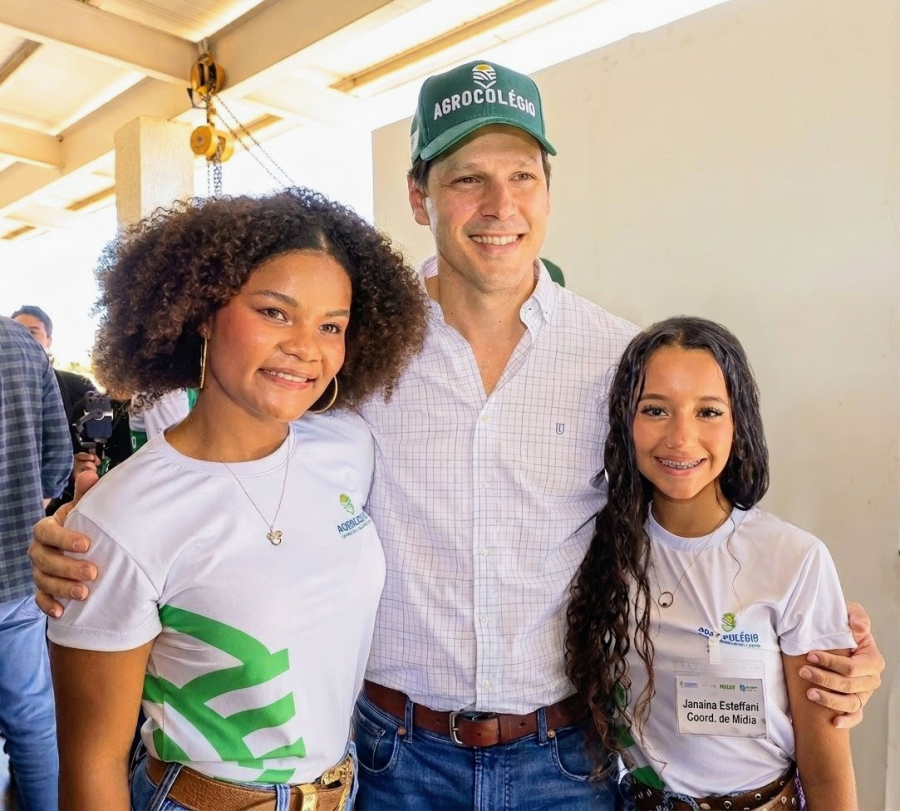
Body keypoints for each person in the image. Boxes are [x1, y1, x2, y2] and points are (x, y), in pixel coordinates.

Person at [29, 61, 885, 811]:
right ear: (420, 195)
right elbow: (226, 444)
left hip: (566, 762)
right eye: (468, 179)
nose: (500, 206)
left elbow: (685, 519)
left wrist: (815, 649)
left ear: (549, 188)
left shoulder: (616, 356)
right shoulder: (357, 348)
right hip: (388, 758)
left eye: (522, 175)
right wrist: (79, 532)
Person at [44, 187, 427, 811]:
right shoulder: (121, 519)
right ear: (202, 312)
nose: (307, 346)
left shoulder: (346, 452)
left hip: (344, 790)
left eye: (331, 325)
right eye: (275, 312)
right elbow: (92, 762)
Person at [567, 316, 858, 810]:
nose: (681, 438)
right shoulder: (596, 550)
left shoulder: (794, 558)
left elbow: (828, 773)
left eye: (708, 412)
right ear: (625, 421)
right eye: (656, 409)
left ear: (738, 421)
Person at [0, 315, 72, 811]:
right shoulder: (19, 343)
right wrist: (33, 502)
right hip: (14, 567)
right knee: (31, 715)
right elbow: (58, 453)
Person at [12, 305, 97, 508]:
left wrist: (80, 462)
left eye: (32, 332)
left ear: (49, 339)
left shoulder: (79, 387)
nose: (24, 339)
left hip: (62, 506)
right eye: (17, 332)